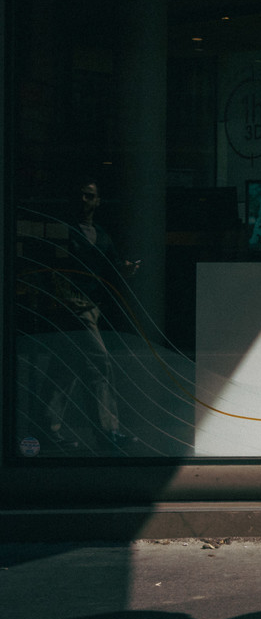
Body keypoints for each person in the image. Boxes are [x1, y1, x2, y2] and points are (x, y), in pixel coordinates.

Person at [39, 178, 142, 452]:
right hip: (74, 307)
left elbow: (112, 267)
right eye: (81, 195)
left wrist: (126, 269)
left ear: (97, 201)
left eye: (89, 196)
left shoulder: (102, 235)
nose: (84, 200)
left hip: (89, 309)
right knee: (100, 363)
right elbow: (53, 267)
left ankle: (46, 431)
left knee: (63, 369)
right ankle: (108, 431)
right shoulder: (64, 231)